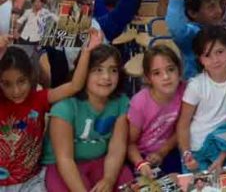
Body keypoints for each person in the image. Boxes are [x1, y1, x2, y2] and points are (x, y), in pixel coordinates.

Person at [0, 30, 100, 190]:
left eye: (21, 81)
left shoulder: (39, 99)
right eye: (7, 84)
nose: (16, 91)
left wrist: (86, 51)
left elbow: (75, 85)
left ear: (31, 77)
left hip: (31, 182)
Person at [42, 44, 133, 191]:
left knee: (127, 183)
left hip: (101, 161)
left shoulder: (121, 102)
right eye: (97, 70)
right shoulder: (64, 107)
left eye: (113, 70)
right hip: (65, 164)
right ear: (83, 72)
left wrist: (109, 179)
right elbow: (64, 159)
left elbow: (117, 147)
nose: (106, 77)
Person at [177, 26, 226, 172]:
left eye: (220, 52)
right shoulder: (195, 85)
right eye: (207, 55)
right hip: (196, 149)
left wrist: (221, 158)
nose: (215, 60)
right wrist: (187, 154)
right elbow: (183, 124)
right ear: (200, 60)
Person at [127, 45, 185, 178]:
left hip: (169, 150)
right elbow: (129, 143)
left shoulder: (185, 92)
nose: (166, 77)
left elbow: (182, 129)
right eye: (157, 73)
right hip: (140, 156)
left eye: (170, 69)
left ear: (179, 70)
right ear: (148, 78)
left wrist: (162, 152)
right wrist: (140, 163)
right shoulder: (140, 102)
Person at [165, 0, 225, 80]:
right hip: (197, 90)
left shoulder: (221, 32)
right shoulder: (192, 34)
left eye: (219, 5)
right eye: (211, 7)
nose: (219, 11)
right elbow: (176, 29)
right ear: (193, 13)